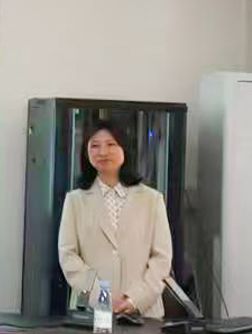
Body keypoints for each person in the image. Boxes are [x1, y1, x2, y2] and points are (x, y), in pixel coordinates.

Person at [58, 120, 172, 318]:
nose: (103, 152)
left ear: (124, 148)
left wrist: (135, 299)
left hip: (144, 312)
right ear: (86, 153)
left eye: (111, 144)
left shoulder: (152, 200)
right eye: (95, 145)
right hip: (91, 311)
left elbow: (161, 259)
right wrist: (101, 297)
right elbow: (69, 256)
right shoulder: (75, 201)